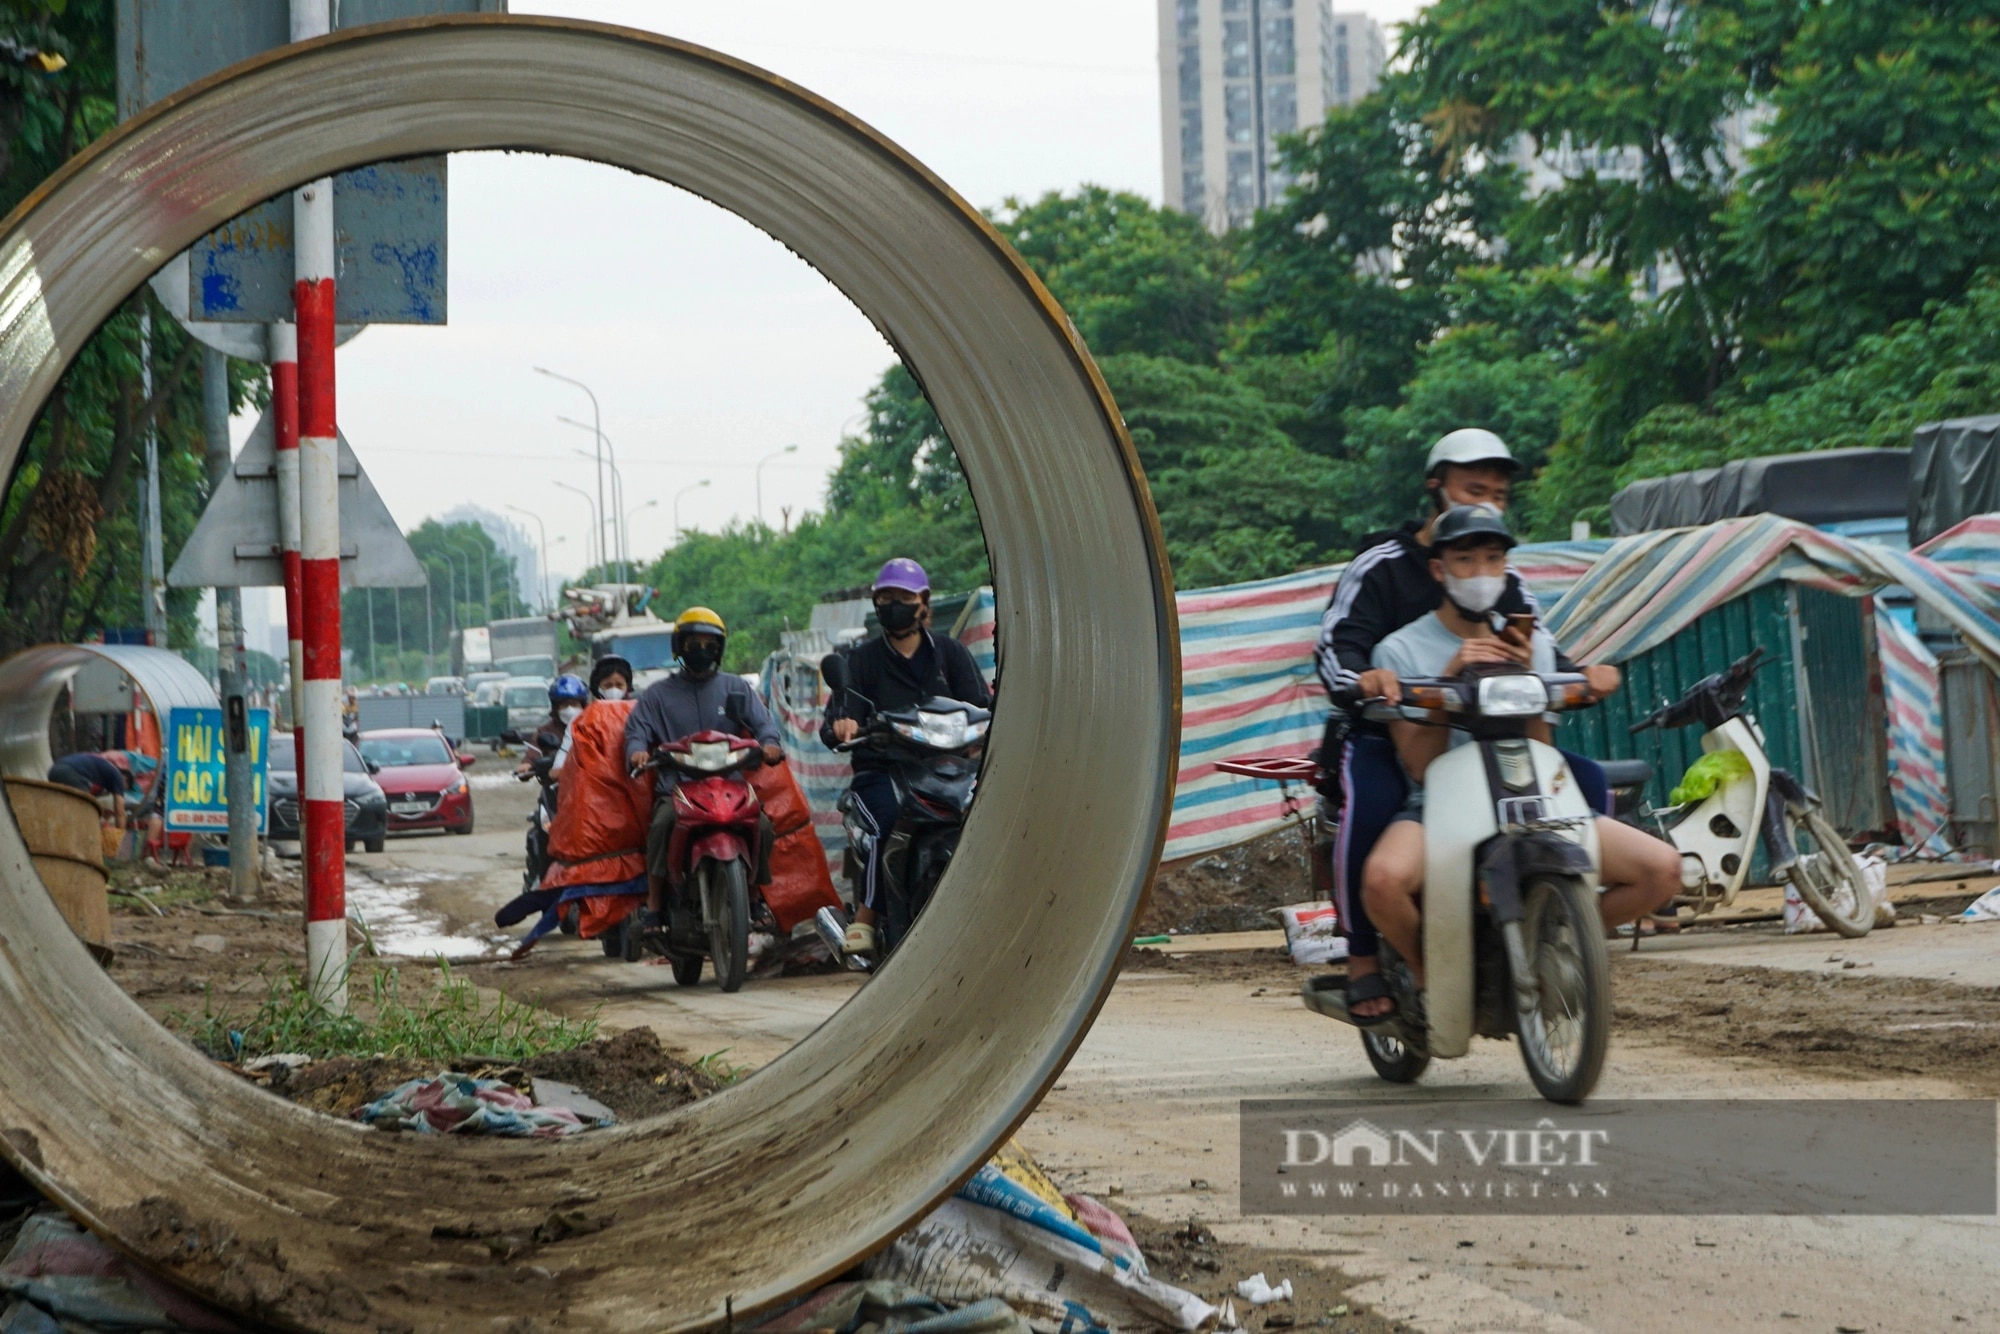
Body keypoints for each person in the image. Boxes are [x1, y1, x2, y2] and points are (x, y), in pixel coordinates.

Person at [1312, 429, 1621, 1018]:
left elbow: (1534, 642)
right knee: (1373, 800)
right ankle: (1364, 959)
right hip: (1388, 729)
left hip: (1486, 735)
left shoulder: (1506, 577)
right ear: (1436, 488)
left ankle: (1559, 925)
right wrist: (1364, 680)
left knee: (1587, 781)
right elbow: (1337, 642)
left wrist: (1584, 675)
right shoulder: (1380, 565)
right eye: (1472, 488)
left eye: (1499, 495)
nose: (1486, 503)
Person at [1352, 506, 1679, 1019]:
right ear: (1438, 570)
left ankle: (1556, 938)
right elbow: (1418, 766)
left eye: (1492, 559)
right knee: (1382, 881)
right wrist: (1451, 672)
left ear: (1506, 567)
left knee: (1662, 870)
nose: (1480, 572)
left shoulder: (1535, 645)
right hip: (1440, 804)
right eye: (1464, 559)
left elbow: (1540, 746)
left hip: (1530, 793)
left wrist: (1528, 672)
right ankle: (1428, 971)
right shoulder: (1400, 649)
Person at [821, 557, 993, 958]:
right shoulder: (860, 661)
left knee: (991, 814)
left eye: (903, 596)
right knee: (886, 823)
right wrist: (845, 724)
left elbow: (982, 705)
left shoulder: (951, 654)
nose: (894, 604)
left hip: (949, 770)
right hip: (883, 773)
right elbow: (839, 716)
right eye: (886, 597)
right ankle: (864, 918)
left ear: (923, 602)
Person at [624, 607, 783, 939]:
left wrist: (769, 743)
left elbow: (764, 724)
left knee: (763, 826)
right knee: (662, 825)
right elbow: (637, 732)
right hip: (677, 788)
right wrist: (637, 751)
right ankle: (654, 906)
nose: (701, 649)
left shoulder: (736, 688)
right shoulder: (657, 695)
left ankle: (754, 900)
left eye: (709, 643)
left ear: (720, 649)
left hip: (730, 786)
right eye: (693, 642)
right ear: (679, 646)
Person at [46, 751, 128, 827]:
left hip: (53, 770)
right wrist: (120, 836)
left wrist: (101, 811)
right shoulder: (118, 776)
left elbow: (89, 799)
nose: (121, 791)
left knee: (65, 808)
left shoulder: (104, 771)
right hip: (69, 772)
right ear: (125, 780)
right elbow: (119, 812)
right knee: (84, 809)